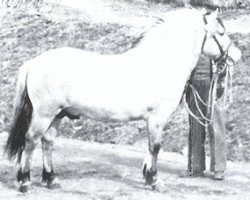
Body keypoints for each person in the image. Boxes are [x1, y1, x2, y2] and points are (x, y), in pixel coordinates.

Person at [184, 55, 227, 180]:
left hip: (214, 84)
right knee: (195, 126)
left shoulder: (217, 37)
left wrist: (220, 78)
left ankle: (219, 168)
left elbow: (226, 56)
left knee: (217, 126)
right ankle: (195, 167)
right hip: (194, 84)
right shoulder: (192, 37)